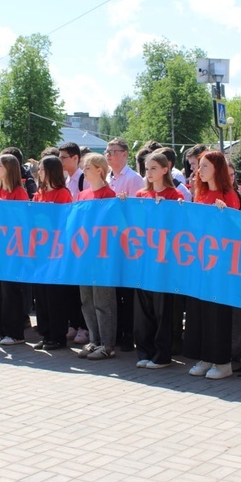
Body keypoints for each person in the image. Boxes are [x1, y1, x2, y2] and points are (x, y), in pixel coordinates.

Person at [183, 150, 240, 380]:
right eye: (199, 166)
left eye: (205, 166)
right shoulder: (200, 194)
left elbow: (235, 230)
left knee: (217, 312)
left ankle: (222, 361)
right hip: (200, 261)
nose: (199, 170)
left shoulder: (229, 195)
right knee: (200, 311)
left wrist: (224, 216)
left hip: (220, 264)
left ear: (217, 168)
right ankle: (205, 356)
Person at [132, 153, 182, 369]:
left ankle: (162, 354)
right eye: (146, 168)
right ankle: (144, 351)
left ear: (165, 169)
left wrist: (165, 211)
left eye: (153, 168)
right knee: (143, 308)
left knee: (163, 308)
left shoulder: (174, 195)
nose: (149, 172)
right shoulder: (141, 194)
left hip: (164, 260)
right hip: (143, 258)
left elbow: (179, 227)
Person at [30, 156, 78, 350]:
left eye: (41, 169)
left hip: (56, 251)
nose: (39, 172)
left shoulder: (63, 193)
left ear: (50, 170)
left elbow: (65, 221)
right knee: (40, 295)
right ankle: (46, 333)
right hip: (40, 250)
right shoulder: (39, 193)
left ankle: (58, 336)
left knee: (54, 296)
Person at [0, 154, 30, 346]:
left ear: (10, 169)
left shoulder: (19, 192)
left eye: (0, 166)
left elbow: (22, 219)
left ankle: (15, 333)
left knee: (10, 290)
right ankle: (0, 330)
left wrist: (2, 209)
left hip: (13, 247)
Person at [76, 153, 118, 360]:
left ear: (99, 170)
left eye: (87, 168)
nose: (84, 171)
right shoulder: (83, 195)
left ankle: (107, 344)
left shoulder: (109, 195)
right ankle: (94, 340)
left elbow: (112, 227)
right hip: (85, 254)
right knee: (87, 299)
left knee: (103, 300)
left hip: (102, 256)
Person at [105, 137, 145, 352]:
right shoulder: (108, 176)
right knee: (114, 290)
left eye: (113, 151)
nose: (109, 155)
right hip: (110, 242)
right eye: (107, 151)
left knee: (127, 292)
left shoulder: (133, 179)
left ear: (125, 154)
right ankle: (118, 331)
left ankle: (129, 335)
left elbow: (137, 214)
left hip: (128, 243)